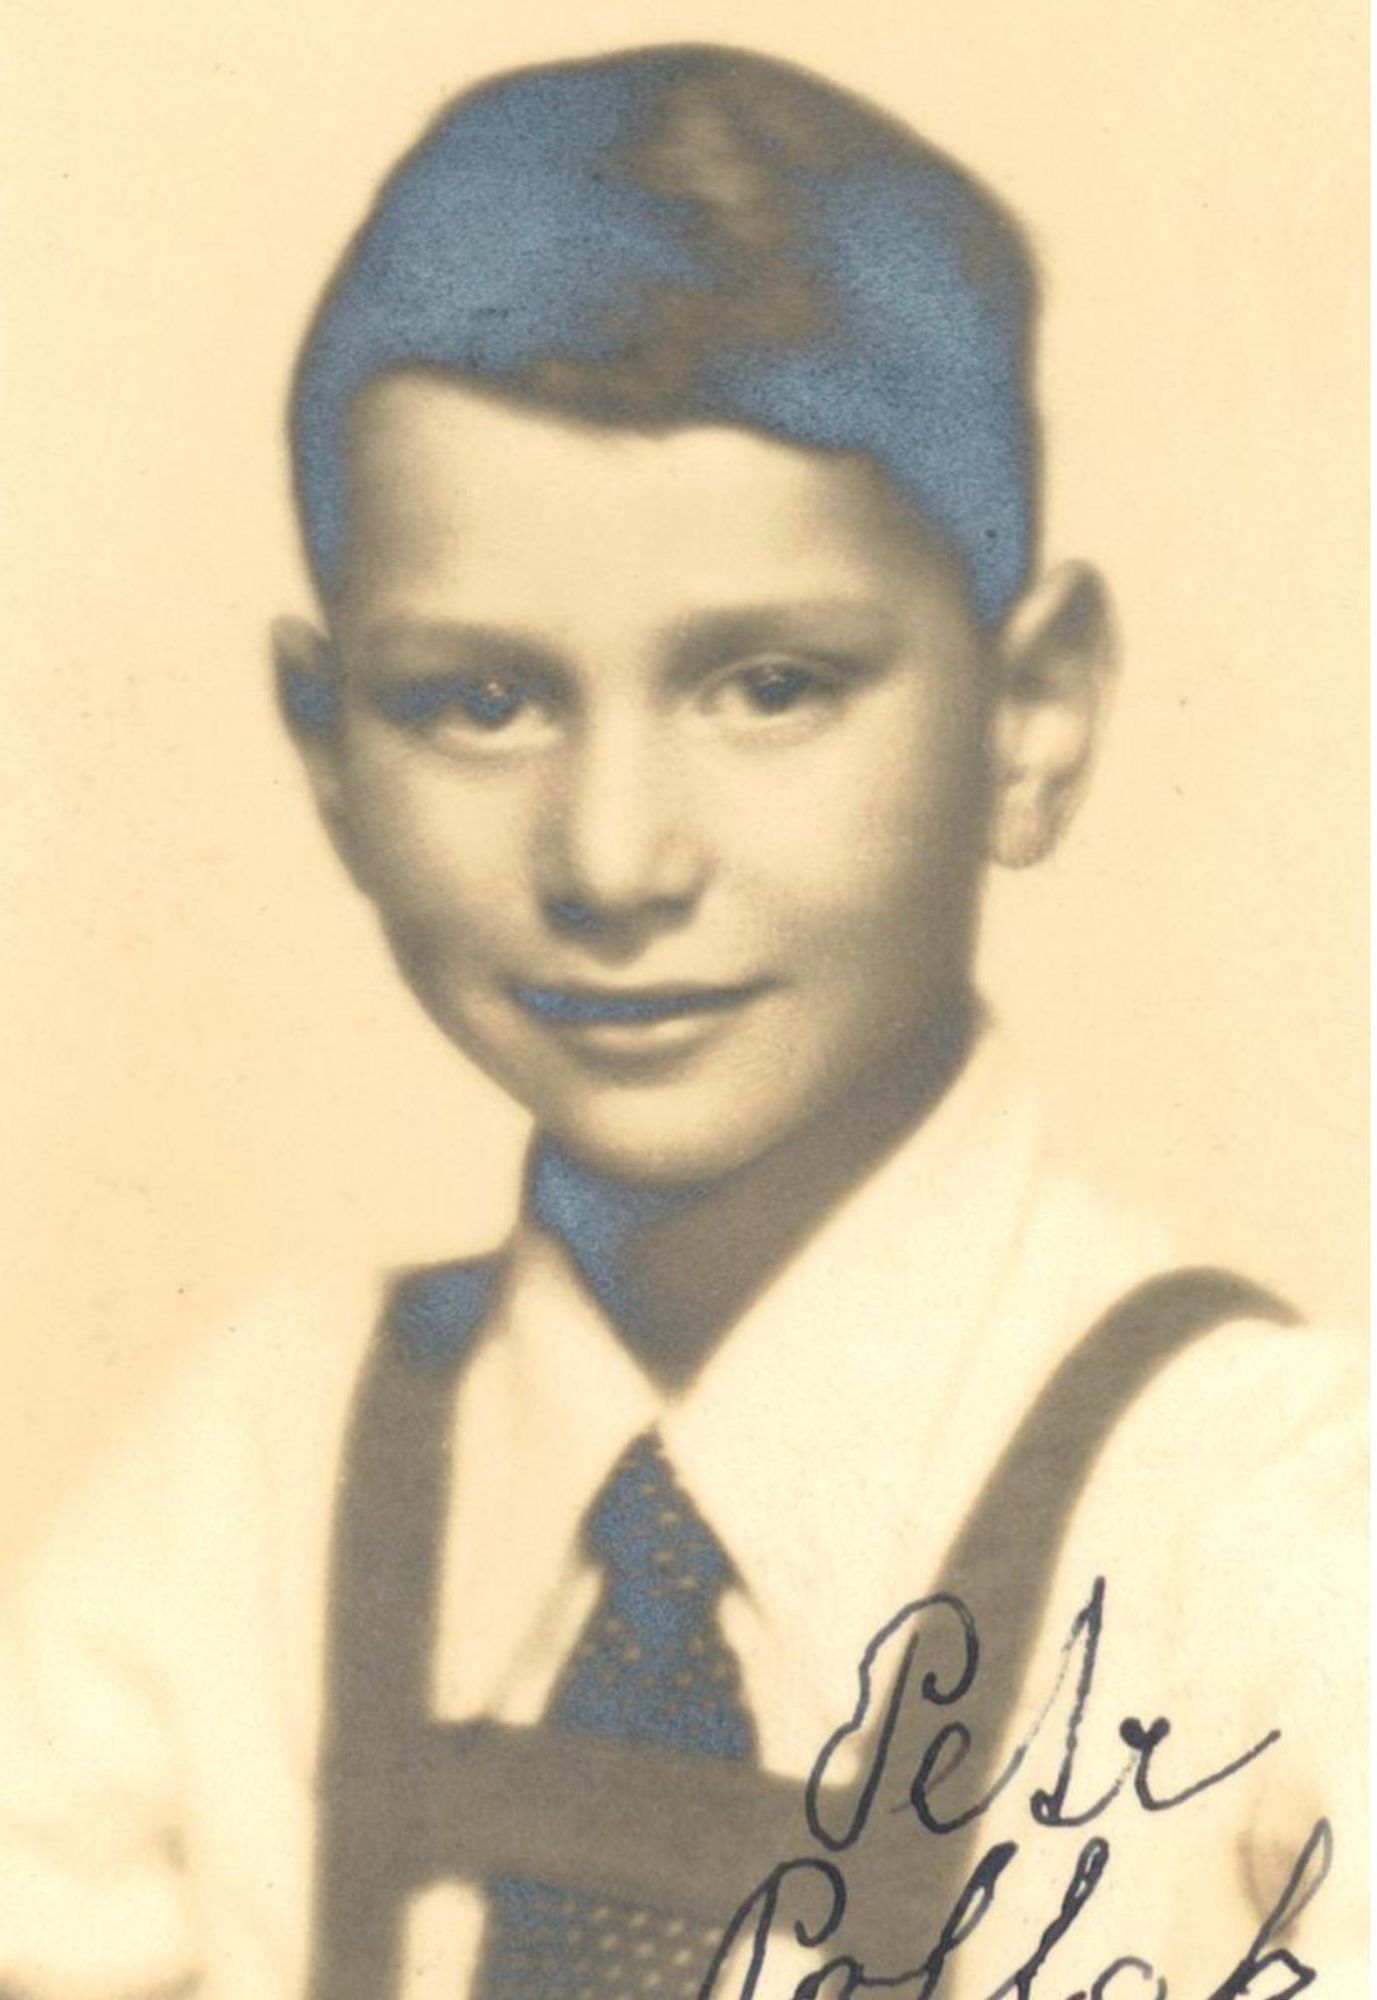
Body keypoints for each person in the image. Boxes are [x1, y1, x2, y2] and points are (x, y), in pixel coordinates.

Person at [0, 42, 1363, 2000]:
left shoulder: (1264, 1535)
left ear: (1033, 712)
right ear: (326, 752)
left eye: (769, 683)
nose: (614, 854)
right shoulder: (257, 1478)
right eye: (476, 700)